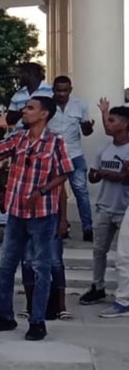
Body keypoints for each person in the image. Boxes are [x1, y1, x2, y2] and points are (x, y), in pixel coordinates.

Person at [0, 96, 74, 341]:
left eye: (30, 108)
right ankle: (4, 316)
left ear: (44, 114)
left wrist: (41, 191)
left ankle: (37, 321)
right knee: (7, 265)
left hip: (42, 214)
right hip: (16, 213)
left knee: (41, 267)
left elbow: (64, 173)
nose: (24, 111)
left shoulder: (56, 141)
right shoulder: (19, 138)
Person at [81, 101, 129, 307]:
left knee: (124, 255)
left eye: (111, 120)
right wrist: (102, 174)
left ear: (125, 125)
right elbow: (92, 176)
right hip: (104, 207)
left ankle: (124, 293)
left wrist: (107, 173)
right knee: (99, 250)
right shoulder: (103, 149)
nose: (107, 124)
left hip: (125, 209)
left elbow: (125, 178)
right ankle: (97, 286)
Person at [49, 76, 94, 241]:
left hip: (75, 153)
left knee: (81, 190)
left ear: (70, 90)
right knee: (55, 191)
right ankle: (60, 227)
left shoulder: (80, 105)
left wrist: (88, 127)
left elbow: (87, 132)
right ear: (53, 90)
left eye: (65, 90)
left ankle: (87, 228)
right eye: (58, 90)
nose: (62, 94)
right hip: (52, 154)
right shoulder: (47, 105)